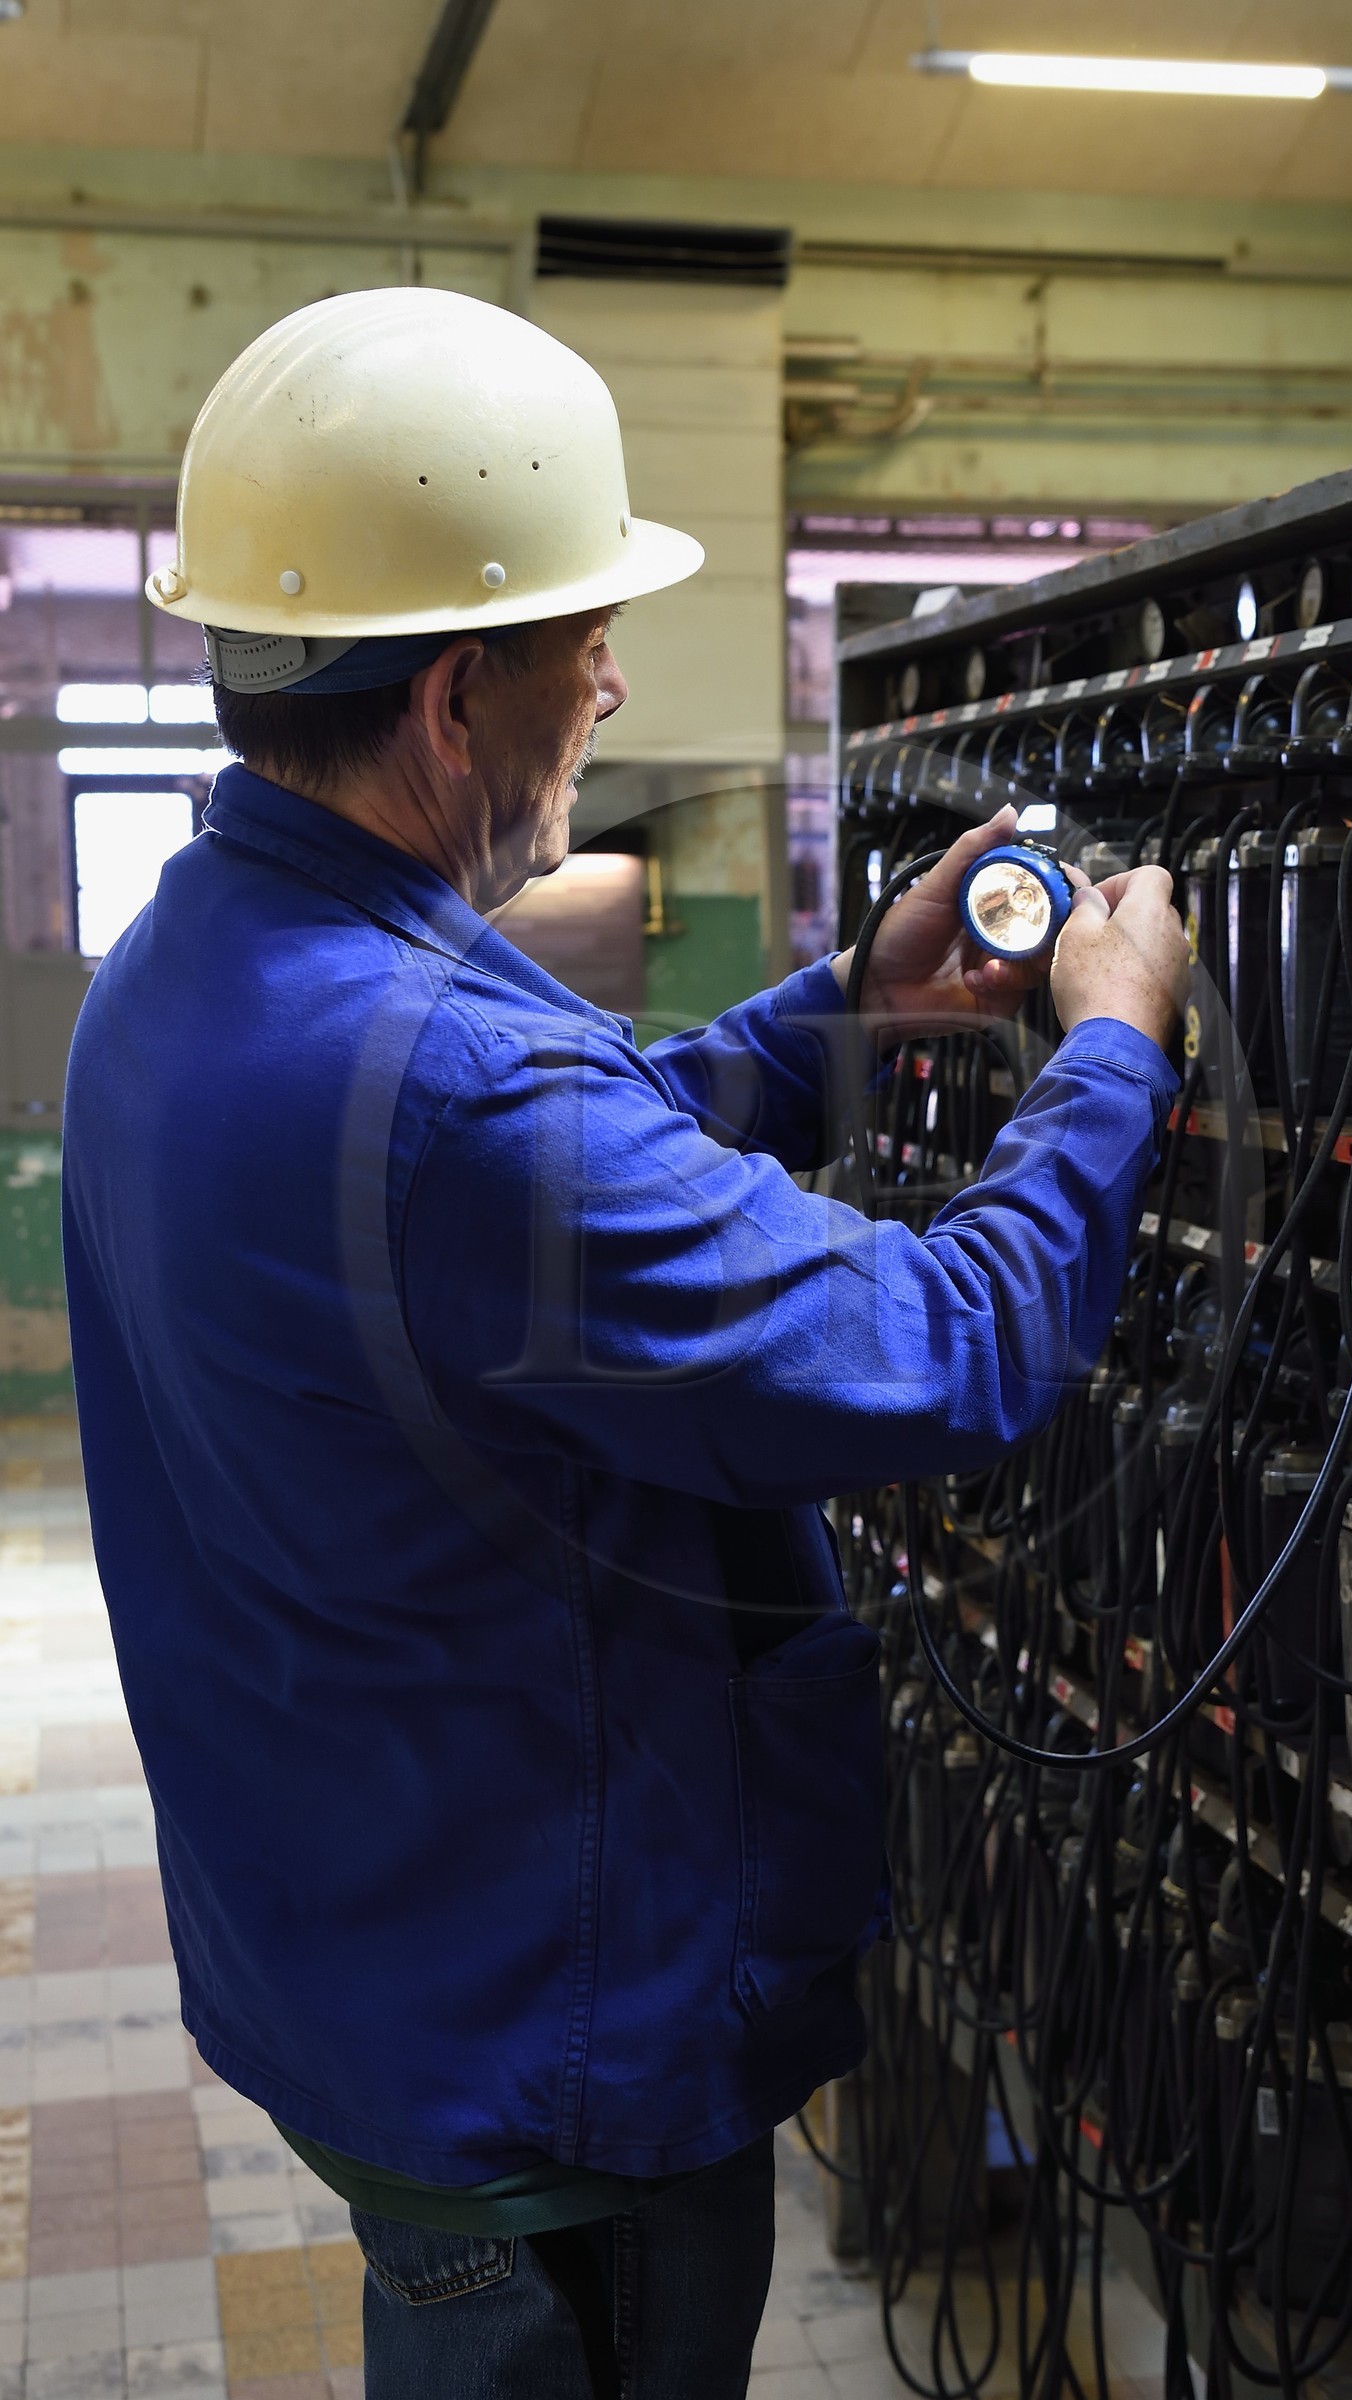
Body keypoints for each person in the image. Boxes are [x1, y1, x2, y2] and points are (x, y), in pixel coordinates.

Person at [61, 287, 1188, 2399]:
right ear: (449, 697)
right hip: (549, 2047)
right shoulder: (456, 1084)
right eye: (580, 636)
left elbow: (515, 1199)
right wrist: (1110, 1050)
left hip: (374, 1951)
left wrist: (849, 1006)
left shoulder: (192, 961)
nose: (609, 678)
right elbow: (951, 1344)